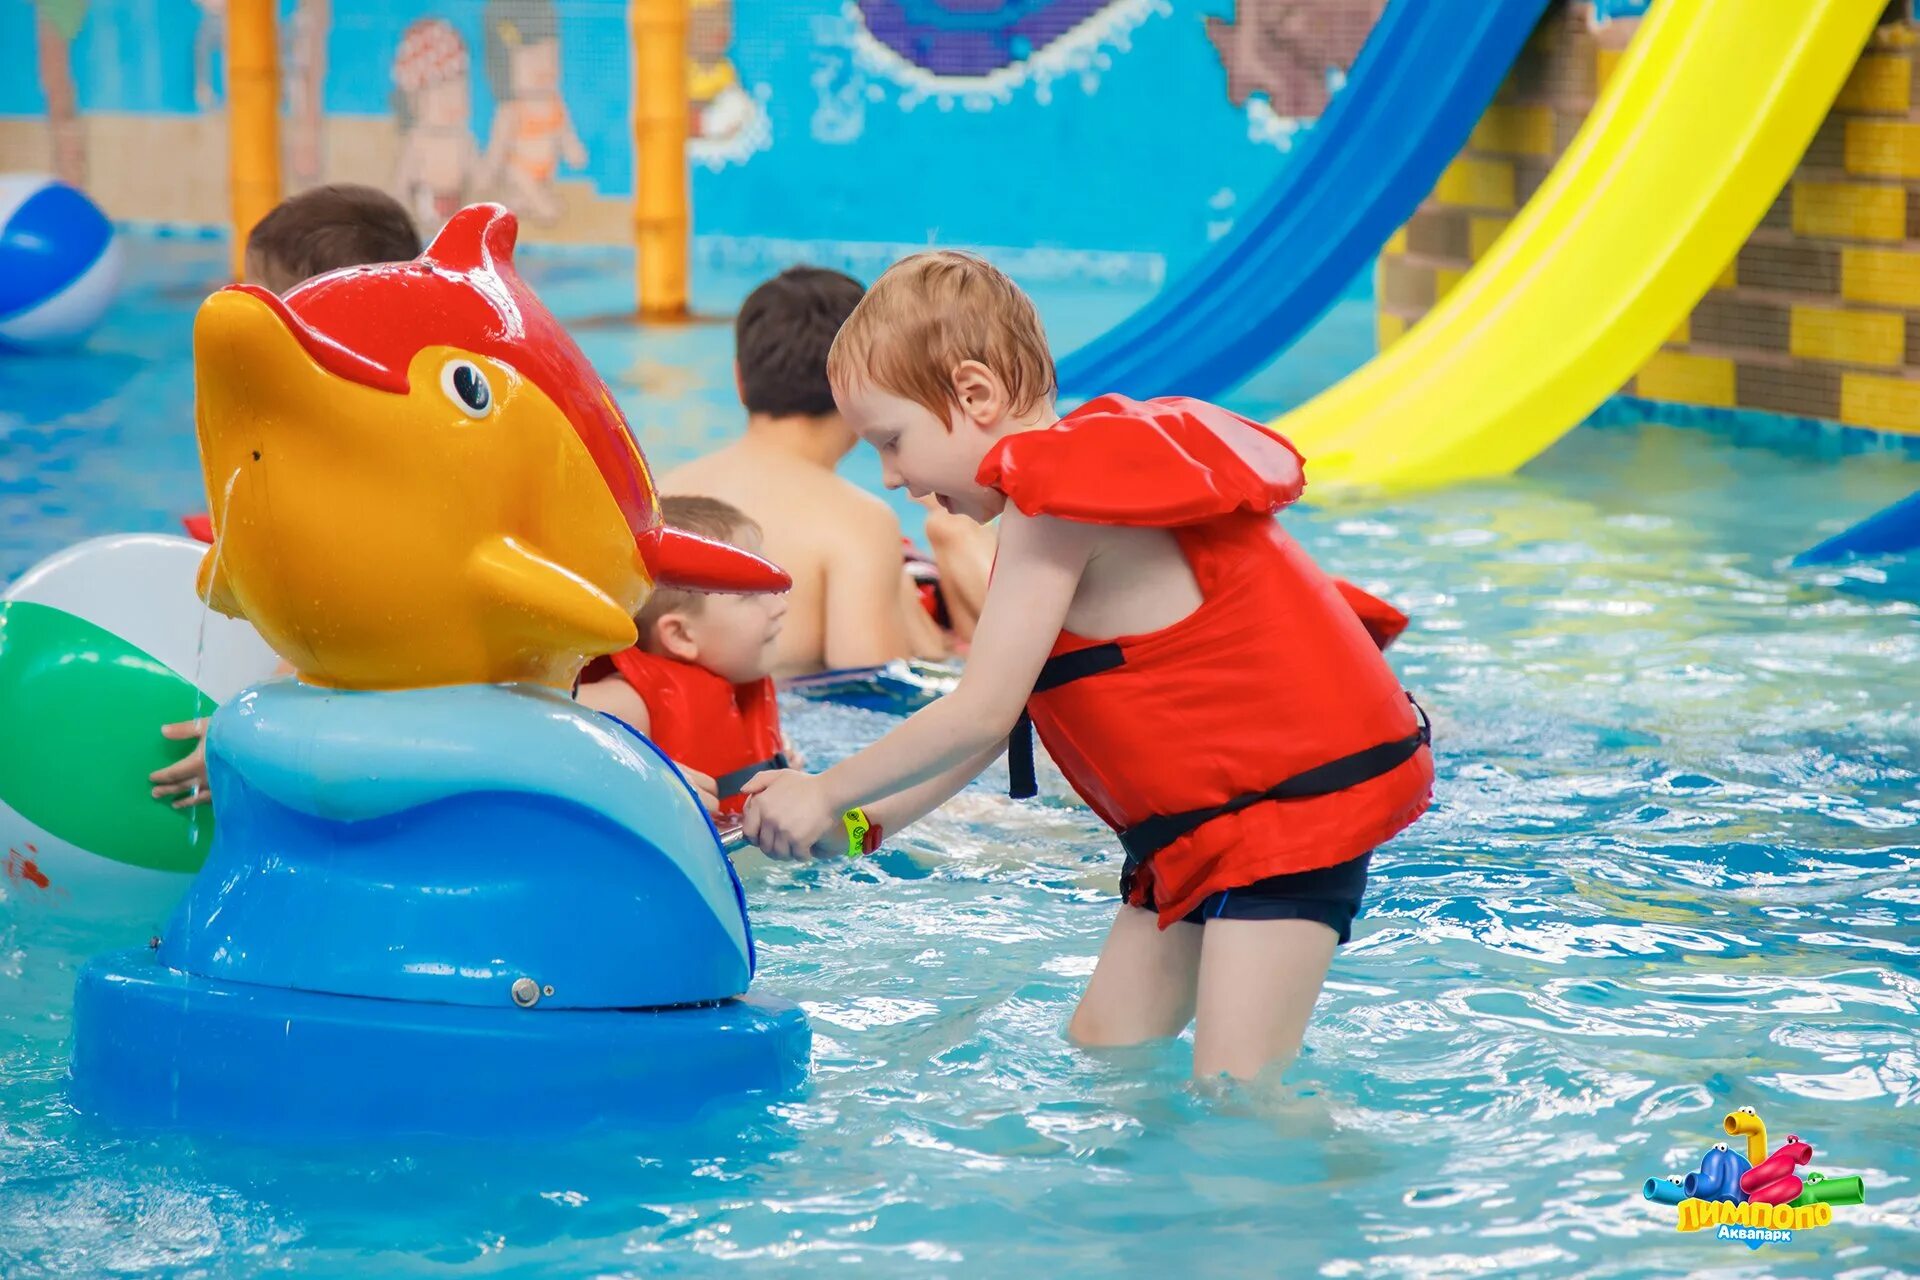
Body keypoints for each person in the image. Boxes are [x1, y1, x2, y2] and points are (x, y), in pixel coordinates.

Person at [740, 251, 1434, 1081]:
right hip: (1203, 832)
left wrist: (825, 788)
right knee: (1108, 1055)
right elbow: (991, 733)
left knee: (1239, 1092)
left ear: (975, 396)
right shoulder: (1049, 513)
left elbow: (979, 713)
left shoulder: (1054, 506)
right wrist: (864, 826)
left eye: (892, 442)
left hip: (1286, 823)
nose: (892, 478)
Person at [151, 185, 424, 810]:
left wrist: (248, 734)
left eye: (260, 295)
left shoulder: (365, 453)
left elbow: (357, 627)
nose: (237, 307)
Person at [657, 267, 946, 675]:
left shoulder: (661, 496)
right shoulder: (858, 522)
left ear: (739, 380)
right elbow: (873, 687)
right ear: (865, 385)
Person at [576, 497, 793, 816]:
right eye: (749, 595)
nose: (779, 606)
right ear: (680, 635)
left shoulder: (740, 687)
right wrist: (638, 778)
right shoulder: (632, 701)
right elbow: (532, 727)